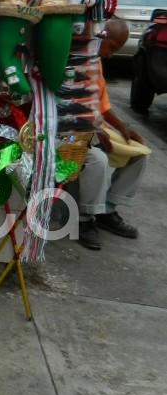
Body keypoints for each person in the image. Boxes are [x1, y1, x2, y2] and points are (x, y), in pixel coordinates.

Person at [78, 17, 148, 250]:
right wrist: (95, 130)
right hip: (72, 130)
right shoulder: (77, 55)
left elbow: (103, 105)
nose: (110, 54)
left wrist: (123, 128)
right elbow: (68, 101)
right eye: (113, 47)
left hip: (95, 127)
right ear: (103, 36)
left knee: (140, 153)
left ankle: (107, 209)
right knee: (98, 160)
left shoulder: (96, 61)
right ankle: (84, 220)